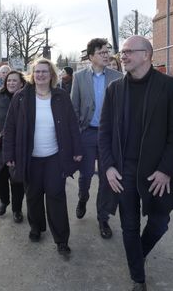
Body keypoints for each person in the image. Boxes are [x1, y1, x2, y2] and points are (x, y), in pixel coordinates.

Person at [98, 35, 173, 291]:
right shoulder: (115, 89)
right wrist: (109, 167)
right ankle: (138, 277)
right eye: (121, 52)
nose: (122, 56)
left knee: (160, 222)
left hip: (156, 172)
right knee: (129, 225)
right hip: (123, 170)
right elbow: (104, 134)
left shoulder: (168, 86)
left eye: (128, 51)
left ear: (146, 55)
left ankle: (138, 253)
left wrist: (166, 170)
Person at [3, 58, 82, 255]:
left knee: (56, 196)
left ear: (51, 75)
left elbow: (73, 124)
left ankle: (61, 239)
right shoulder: (20, 97)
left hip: (55, 157)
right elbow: (10, 128)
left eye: (44, 72)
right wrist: (9, 154)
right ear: (32, 74)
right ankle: (36, 227)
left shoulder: (61, 96)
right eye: (37, 71)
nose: (40, 75)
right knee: (33, 195)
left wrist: (77, 149)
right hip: (30, 158)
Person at [71, 38, 122, 239]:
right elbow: (74, 107)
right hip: (88, 132)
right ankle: (83, 198)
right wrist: (76, 136)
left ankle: (103, 218)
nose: (106, 55)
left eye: (107, 51)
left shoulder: (118, 77)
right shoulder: (79, 77)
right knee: (85, 175)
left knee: (105, 176)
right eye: (101, 52)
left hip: (109, 136)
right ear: (91, 56)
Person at [0, 70, 26, 222]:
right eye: (9, 81)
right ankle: (4, 200)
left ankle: (17, 209)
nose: (11, 83)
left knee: (17, 181)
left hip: (18, 146)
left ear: (22, 83)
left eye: (15, 81)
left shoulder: (27, 99)